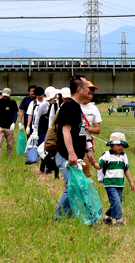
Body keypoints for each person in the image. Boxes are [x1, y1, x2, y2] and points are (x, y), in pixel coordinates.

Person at [54, 76, 90, 218]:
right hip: (66, 156)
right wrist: (71, 153)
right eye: (87, 88)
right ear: (79, 89)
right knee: (71, 187)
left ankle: (68, 216)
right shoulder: (69, 106)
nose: (89, 90)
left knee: (75, 188)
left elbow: (80, 132)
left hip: (76, 156)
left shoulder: (77, 107)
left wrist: (87, 150)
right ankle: (59, 217)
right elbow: (65, 130)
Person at [98, 132, 135, 226]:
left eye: (122, 145)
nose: (120, 147)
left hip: (120, 184)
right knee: (116, 202)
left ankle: (107, 217)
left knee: (117, 202)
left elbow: (126, 170)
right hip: (110, 183)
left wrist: (131, 181)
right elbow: (99, 166)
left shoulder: (124, 157)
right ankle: (119, 220)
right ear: (111, 145)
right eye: (118, 145)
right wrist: (93, 163)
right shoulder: (107, 156)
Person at [79, 80, 103, 177]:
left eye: (92, 94)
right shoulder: (72, 105)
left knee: (85, 172)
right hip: (71, 144)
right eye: (88, 93)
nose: (89, 96)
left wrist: (88, 128)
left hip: (87, 145)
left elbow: (97, 130)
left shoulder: (93, 108)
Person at [37, 87, 61, 178]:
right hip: (48, 131)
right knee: (49, 151)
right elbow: (38, 118)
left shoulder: (57, 104)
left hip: (53, 130)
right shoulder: (46, 105)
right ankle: (46, 168)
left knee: (52, 151)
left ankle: (50, 169)